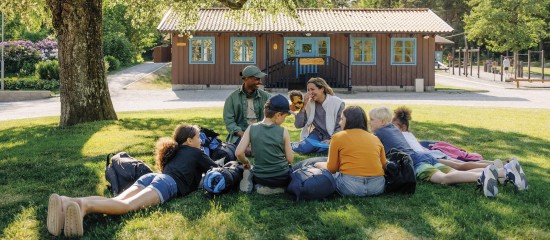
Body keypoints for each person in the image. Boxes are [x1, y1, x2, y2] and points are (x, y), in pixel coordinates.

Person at [47, 124, 218, 237]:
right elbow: (216, 169)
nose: (201, 141)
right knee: (127, 206)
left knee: (115, 201)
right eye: (198, 137)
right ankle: (85, 207)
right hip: (167, 183)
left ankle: (66, 201)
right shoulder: (197, 153)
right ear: (189, 140)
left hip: (152, 177)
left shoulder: (175, 151)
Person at [369, 106, 510, 197]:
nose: (369, 123)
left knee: (443, 179)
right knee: (454, 172)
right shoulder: (394, 128)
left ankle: (483, 175)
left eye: (372, 120)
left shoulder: (378, 134)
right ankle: (504, 171)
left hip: (415, 163)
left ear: (382, 121)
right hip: (424, 156)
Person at [391, 106, 495, 171]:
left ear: (403, 127)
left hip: (431, 156)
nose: (391, 129)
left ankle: (495, 168)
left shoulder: (402, 135)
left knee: (460, 166)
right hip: (433, 154)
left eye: (393, 126)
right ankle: (494, 164)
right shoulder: (409, 134)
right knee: (461, 164)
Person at [314, 106, 387, 197]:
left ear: (349, 120)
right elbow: (384, 165)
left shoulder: (338, 137)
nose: (340, 123)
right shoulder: (375, 138)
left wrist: (318, 164)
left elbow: (332, 168)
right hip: (377, 186)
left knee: (323, 171)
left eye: (342, 119)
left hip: (350, 186)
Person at [236, 94, 294, 195]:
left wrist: (246, 162)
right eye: (285, 117)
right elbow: (290, 159)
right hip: (281, 178)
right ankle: (278, 189)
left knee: (250, 169)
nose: (284, 121)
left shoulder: (251, 128)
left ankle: (255, 182)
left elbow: (239, 153)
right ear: (278, 115)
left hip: (260, 178)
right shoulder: (283, 131)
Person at [292, 77, 345, 155]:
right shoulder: (309, 104)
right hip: (317, 134)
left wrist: (332, 140)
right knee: (303, 149)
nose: (310, 93)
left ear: (322, 89)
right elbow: (298, 125)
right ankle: (290, 145)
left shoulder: (337, 103)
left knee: (329, 152)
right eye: (308, 90)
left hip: (334, 135)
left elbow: (340, 127)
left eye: (312, 89)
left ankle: (319, 147)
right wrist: (304, 106)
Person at [223, 65, 271, 145]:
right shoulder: (232, 98)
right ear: (246, 79)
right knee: (244, 149)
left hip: (261, 133)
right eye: (257, 79)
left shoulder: (266, 96)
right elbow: (229, 122)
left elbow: (275, 115)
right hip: (240, 134)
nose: (260, 82)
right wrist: (242, 134)